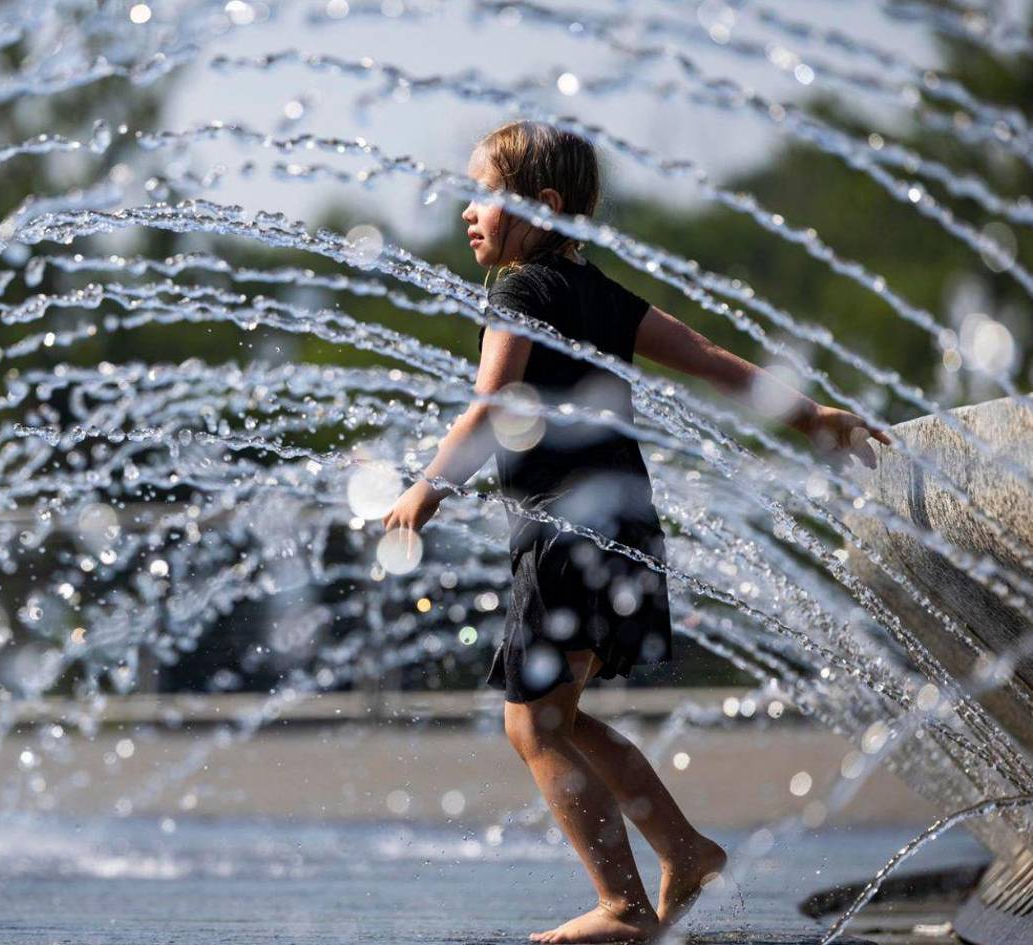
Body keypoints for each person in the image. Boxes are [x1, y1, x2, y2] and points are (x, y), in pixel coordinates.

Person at [380, 119, 891, 943]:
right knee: (563, 716)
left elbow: (491, 405)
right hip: (622, 529)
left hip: (560, 536)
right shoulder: (602, 295)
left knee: (531, 723)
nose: (467, 212)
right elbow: (708, 356)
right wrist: (813, 418)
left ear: (543, 208)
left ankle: (621, 905)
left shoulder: (518, 293)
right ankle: (685, 852)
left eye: (483, 194)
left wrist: (425, 489)